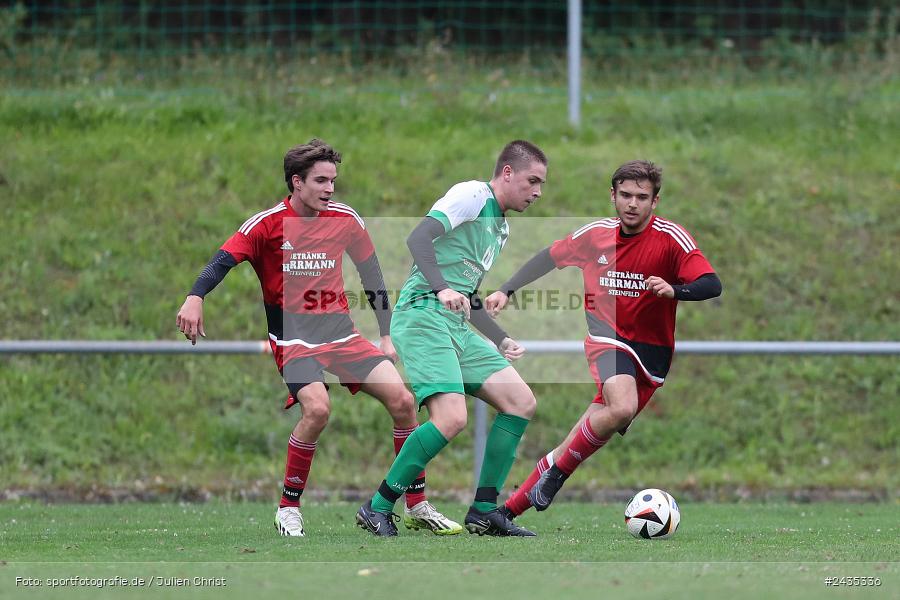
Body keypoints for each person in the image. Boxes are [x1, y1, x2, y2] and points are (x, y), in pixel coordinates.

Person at [176, 139, 460, 537]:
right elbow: (222, 260)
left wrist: (385, 333)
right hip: (293, 338)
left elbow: (372, 275)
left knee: (403, 401)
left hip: (342, 334)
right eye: (321, 181)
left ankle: (416, 503)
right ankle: (289, 507)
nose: (330, 189)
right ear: (297, 182)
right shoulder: (266, 224)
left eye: (333, 181)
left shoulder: (346, 219)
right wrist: (195, 296)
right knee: (318, 410)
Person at [484, 160, 722, 521]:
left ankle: (503, 514)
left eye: (642, 197)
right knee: (622, 407)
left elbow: (711, 283)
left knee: (581, 436)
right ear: (613, 196)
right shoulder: (595, 235)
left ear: (655, 202)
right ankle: (558, 477)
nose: (632, 203)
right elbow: (547, 258)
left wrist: (674, 290)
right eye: (625, 195)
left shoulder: (671, 239)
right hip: (606, 339)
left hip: (651, 356)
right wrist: (506, 290)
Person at [355, 140, 548, 537]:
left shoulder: (501, 227)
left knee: (520, 402)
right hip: (423, 313)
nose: (538, 192)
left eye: (541, 184)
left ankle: (483, 511)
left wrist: (499, 338)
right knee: (452, 418)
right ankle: (377, 507)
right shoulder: (472, 195)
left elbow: (464, 296)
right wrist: (441, 288)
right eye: (533, 181)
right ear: (507, 173)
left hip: (453, 324)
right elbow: (418, 238)